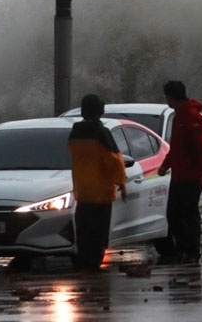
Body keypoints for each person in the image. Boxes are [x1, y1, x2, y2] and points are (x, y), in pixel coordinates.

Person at [67, 93, 126, 272]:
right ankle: (93, 264)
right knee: (98, 232)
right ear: (100, 111)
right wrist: (121, 181)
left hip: (82, 191)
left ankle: (84, 262)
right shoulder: (101, 133)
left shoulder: (75, 132)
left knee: (84, 230)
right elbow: (114, 159)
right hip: (101, 192)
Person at [158, 79, 202, 262]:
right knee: (173, 213)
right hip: (179, 175)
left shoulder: (191, 116)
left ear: (172, 97)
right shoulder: (179, 115)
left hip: (191, 176)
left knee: (189, 215)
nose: (166, 100)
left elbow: (201, 148)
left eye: (167, 97)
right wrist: (165, 165)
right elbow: (176, 147)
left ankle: (192, 251)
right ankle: (182, 248)